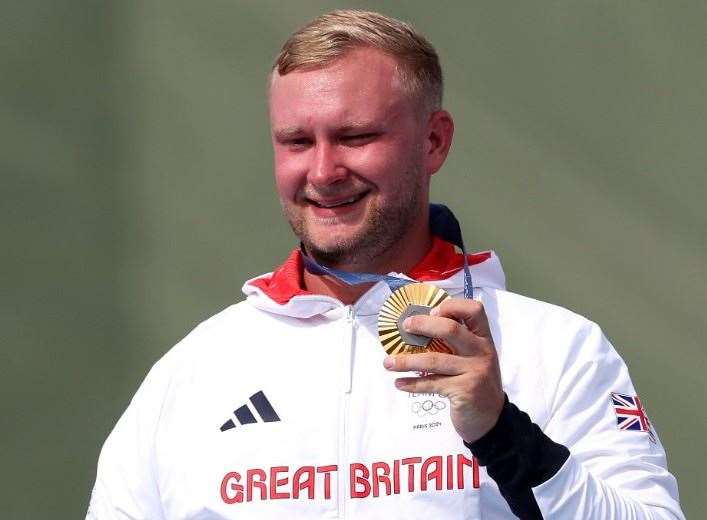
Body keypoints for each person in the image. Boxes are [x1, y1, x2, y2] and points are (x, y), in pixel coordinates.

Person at [87, 9, 684, 519]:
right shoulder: (194, 372)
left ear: (434, 142)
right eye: (297, 142)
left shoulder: (553, 348)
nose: (322, 172)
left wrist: (503, 431)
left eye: (355, 136)